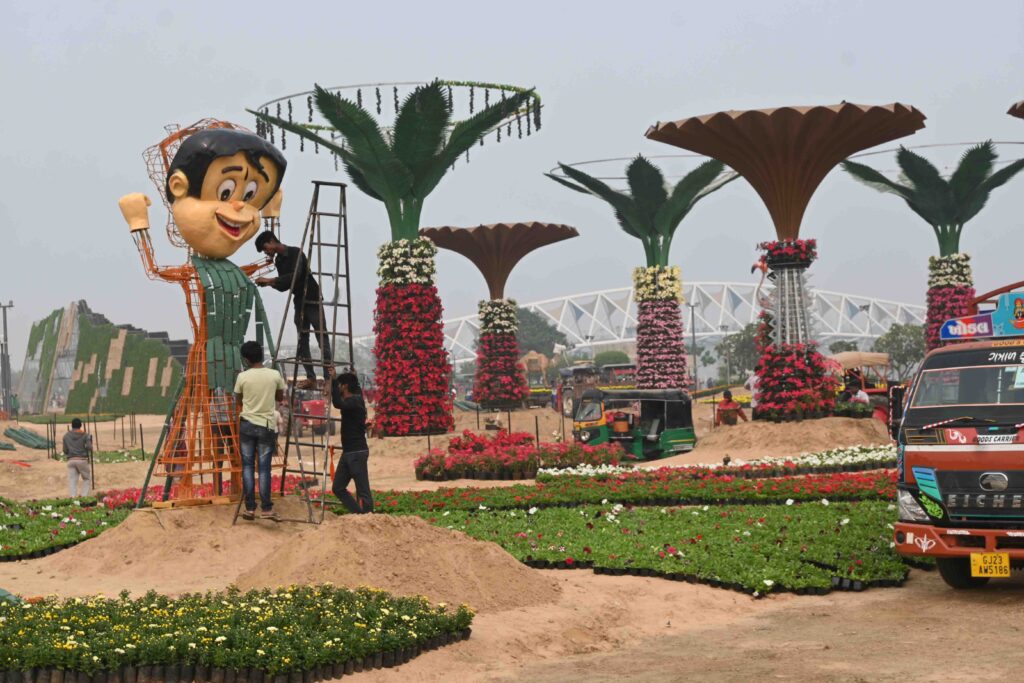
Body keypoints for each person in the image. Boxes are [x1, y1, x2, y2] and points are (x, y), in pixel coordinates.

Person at [254, 232, 332, 390]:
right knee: (302, 340)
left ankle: (328, 377)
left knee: (321, 336)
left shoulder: (296, 252)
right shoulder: (279, 261)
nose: (266, 252)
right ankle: (311, 377)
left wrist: (270, 280)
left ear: (272, 241)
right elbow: (284, 285)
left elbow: (295, 276)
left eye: (265, 248)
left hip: (312, 297)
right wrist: (269, 284)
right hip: (299, 300)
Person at [234, 341, 286, 521]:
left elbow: (238, 400)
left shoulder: (242, 377)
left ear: (246, 359)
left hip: (247, 425)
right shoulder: (274, 375)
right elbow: (280, 397)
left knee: (247, 466)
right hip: (266, 426)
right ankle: (266, 508)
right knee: (264, 468)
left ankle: (249, 508)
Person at [330, 371, 373, 513]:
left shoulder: (354, 401)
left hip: (356, 452)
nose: (338, 388)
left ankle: (368, 517)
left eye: (339, 386)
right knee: (338, 487)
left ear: (345, 386)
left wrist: (334, 380)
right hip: (348, 452)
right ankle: (359, 514)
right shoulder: (354, 399)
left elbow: (337, 403)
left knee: (363, 489)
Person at [63, 418, 92, 498]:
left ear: (72, 425)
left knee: (72, 480)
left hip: (71, 460)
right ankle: (83, 496)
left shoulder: (66, 436)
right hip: (82, 460)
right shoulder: (85, 435)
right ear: (80, 425)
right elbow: (89, 447)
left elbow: (65, 450)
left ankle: (73, 497)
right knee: (86, 478)